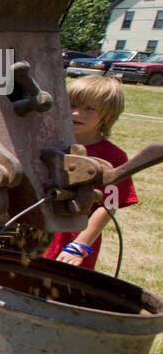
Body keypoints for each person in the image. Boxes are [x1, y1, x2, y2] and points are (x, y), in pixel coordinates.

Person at [43, 75, 137, 269]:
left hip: (71, 242)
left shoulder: (113, 157)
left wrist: (80, 245)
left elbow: (108, 206)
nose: (77, 113)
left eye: (89, 109)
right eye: (72, 105)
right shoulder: (47, 143)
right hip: (35, 234)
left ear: (108, 115)